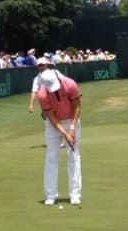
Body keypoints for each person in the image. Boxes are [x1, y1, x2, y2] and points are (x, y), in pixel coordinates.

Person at [36, 68, 82, 206]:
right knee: (52, 156)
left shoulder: (70, 84)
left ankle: (75, 194)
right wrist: (65, 134)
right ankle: (51, 195)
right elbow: (51, 118)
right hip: (53, 124)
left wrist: (72, 128)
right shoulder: (42, 95)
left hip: (71, 120)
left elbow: (77, 107)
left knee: (73, 155)